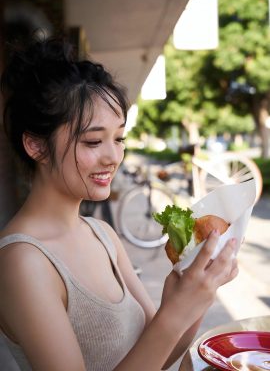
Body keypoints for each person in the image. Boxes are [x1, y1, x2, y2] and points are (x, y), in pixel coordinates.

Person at [0, 37, 238, 371]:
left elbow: (160, 353)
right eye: (94, 141)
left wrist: (199, 291)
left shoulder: (103, 234)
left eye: (119, 138)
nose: (113, 157)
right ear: (36, 145)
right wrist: (176, 312)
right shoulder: (22, 262)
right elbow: (166, 328)